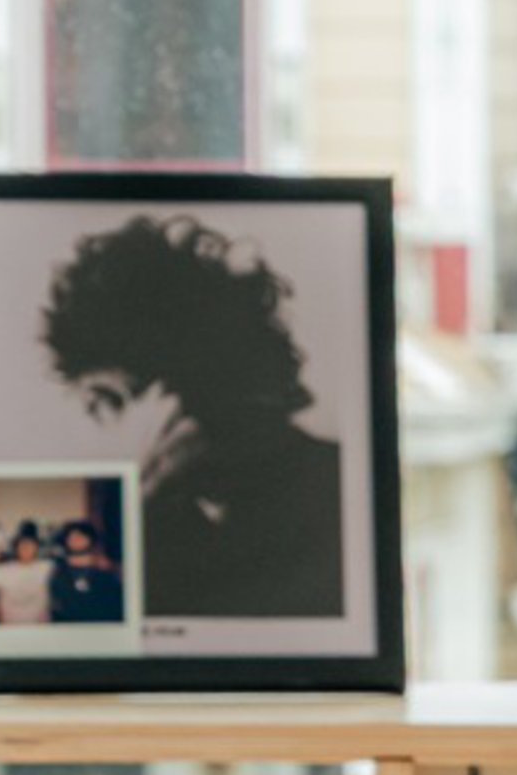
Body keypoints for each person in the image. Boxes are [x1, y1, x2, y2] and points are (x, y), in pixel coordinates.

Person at [35, 212, 344, 619]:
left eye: (107, 402)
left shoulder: (333, 495)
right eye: (96, 405)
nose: (106, 432)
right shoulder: (112, 521)